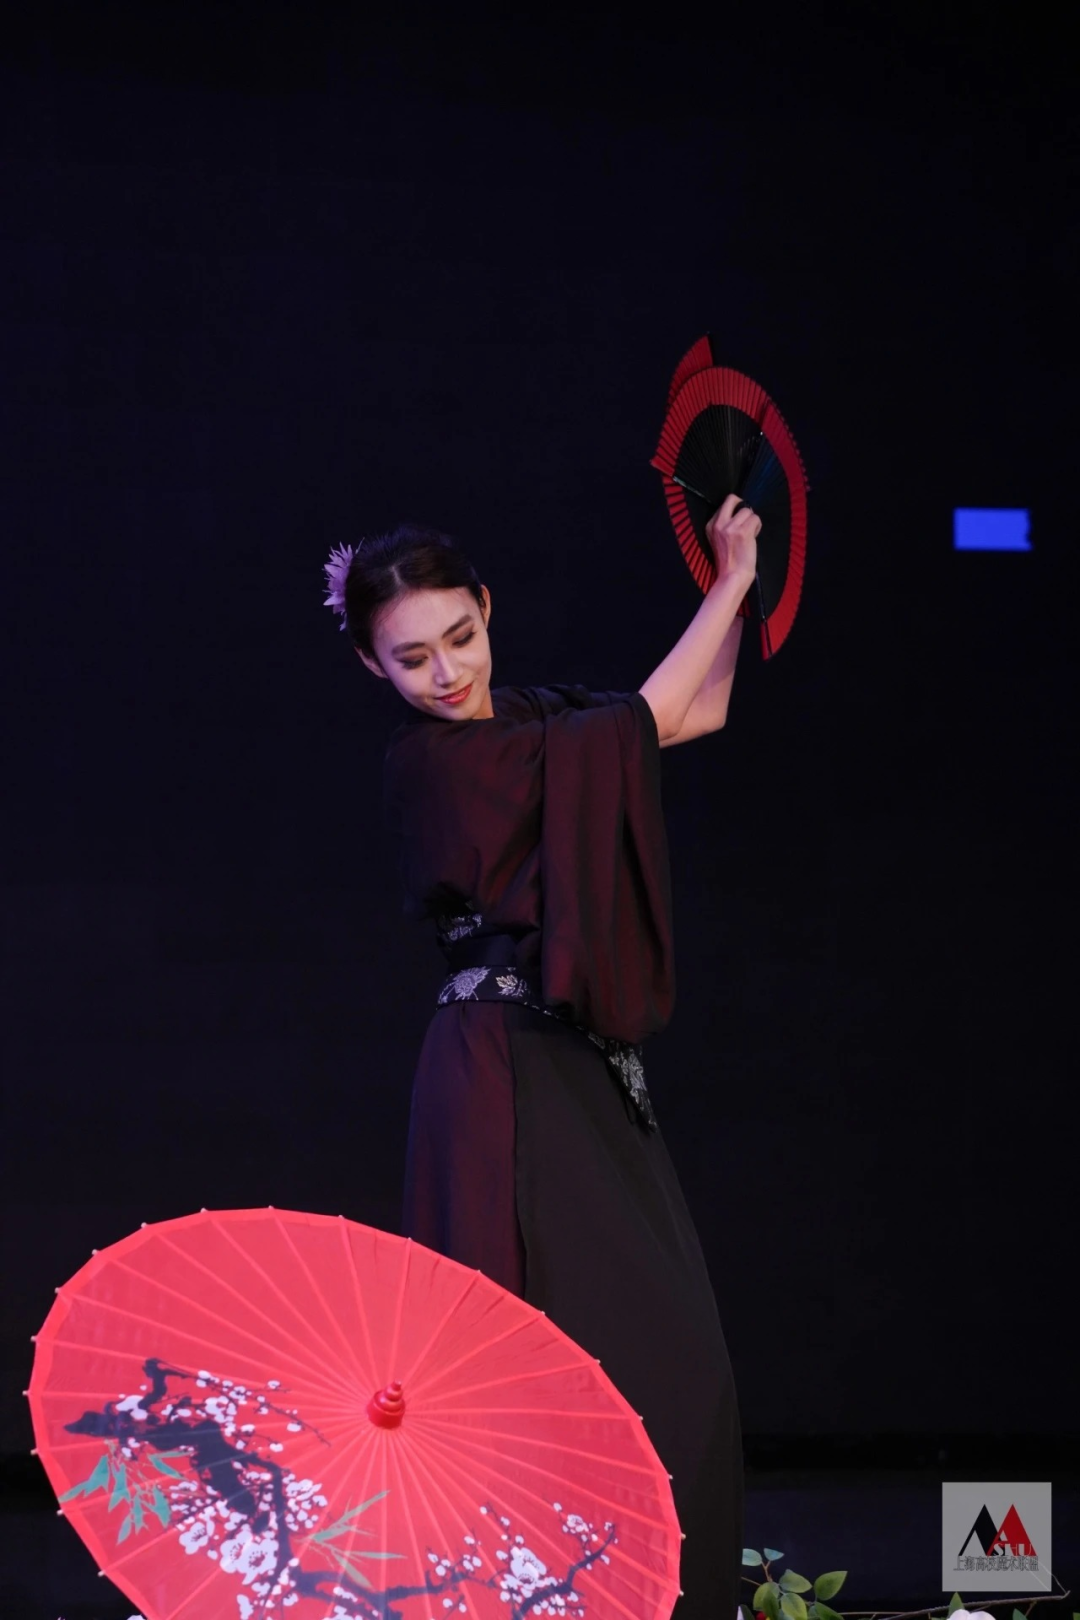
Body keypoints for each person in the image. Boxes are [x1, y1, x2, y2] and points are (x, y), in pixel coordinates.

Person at [324, 493, 761, 1620]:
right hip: (501, 1075)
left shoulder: (528, 723)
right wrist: (727, 583)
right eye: (411, 658)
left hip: (570, 1066)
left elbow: (696, 711)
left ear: (485, 608)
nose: (446, 673)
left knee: (682, 1373)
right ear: (373, 667)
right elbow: (648, 718)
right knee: (527, 1373)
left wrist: (740, 588)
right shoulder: (437, 764)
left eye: (459, 637)